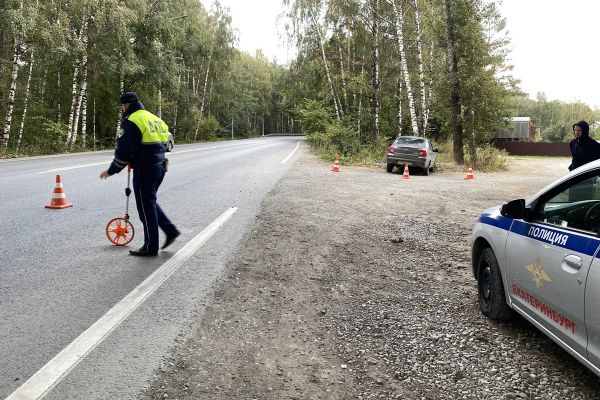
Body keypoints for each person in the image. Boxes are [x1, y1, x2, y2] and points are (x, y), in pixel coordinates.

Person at [100, 92, 180, 256]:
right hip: (160, 167)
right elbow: (164, 145)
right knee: (149, 203)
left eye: (122, 106)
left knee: (145, 210)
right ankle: (170, 230)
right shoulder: (155, 119)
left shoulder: (132, 121)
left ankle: (151, 247)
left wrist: (111, 170)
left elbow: (124, 151)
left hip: (145, 170)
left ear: (126, 105)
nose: (123, 109)